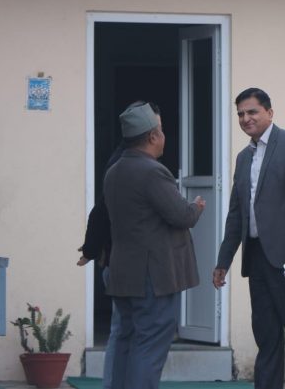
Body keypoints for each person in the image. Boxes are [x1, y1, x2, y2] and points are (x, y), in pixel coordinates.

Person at [212, 88, 285, 389]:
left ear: (269, 112)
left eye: (252, 111)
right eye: (241, 114)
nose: (246, 118)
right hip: (257, 258)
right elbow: (236, 214)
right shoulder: (243, 158)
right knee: (266, 336)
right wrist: (223, 261)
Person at [104, 101, 206, 389]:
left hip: (122, 272)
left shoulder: (114, 171)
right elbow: (181, 215)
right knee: (149, 345)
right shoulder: (152, 171)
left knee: (125, 341)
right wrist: (197, 206)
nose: (163, 135)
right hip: (153, 277)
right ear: (152, 136)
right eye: (161, 130)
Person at [76, 141, 124, 389]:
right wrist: (91, 249)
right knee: (123, 330)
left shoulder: (121, 162)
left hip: (116, 262)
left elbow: (99, 213)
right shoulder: (127, 164)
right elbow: (101, 212)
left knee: (123, 330)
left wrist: (90, 250)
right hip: (122, 264)